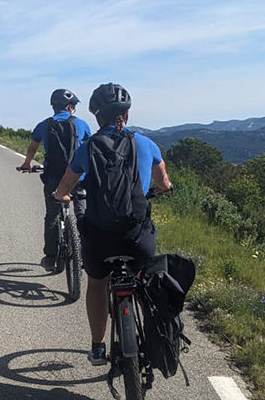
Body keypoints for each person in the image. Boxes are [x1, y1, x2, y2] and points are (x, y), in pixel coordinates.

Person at [52, 83, 172, 365]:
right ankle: (151, 332)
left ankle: (97, 347)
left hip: (100, 237)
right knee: (140, 274)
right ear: (126, 114)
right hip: (137, 236)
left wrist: (61, 196)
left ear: (97, 117)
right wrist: (160, 189)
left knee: (96, 283)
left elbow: (65, 186)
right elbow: (164, 183)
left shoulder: (87, 148)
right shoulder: (147, 144)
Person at [19, 89, 92, 271]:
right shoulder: (82, 125)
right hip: (78, 180)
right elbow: (91, 150)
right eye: (73, 107)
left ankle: (50, 258)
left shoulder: (43, 125)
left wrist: (27, 163)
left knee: (51, 217)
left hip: (53, 179)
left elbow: (32, 147)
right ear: (69, 107)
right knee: (83, 215)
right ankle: (87, 254)